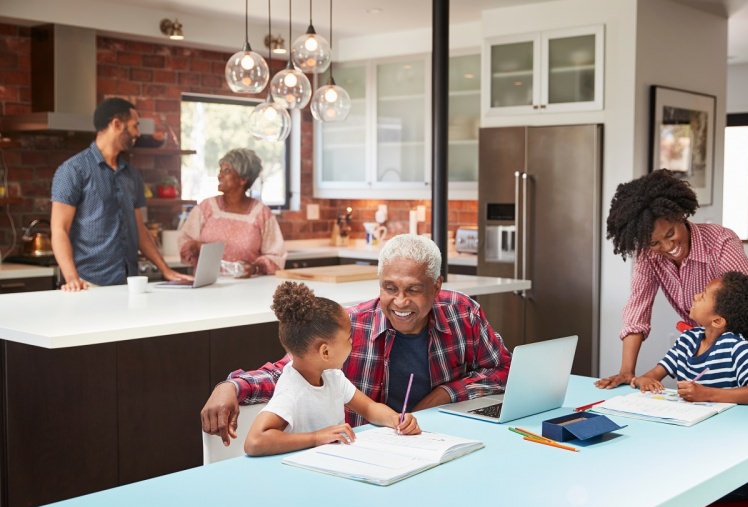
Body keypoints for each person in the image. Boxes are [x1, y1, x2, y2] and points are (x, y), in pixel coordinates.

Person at [201, 234, 511, 446]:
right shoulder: (351, 327)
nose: (400, 302)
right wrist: (231, 386)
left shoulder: (462, 313)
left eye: (413, 290)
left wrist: (445, 394)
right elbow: (290, 370)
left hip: (442, 441)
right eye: (390, 288)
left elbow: (503, 370)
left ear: (436, 286)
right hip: (367, 453)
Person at [596, 169, 748, 414]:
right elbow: (637, 310)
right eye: (655, 243)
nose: (668, 247)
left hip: (745, 347)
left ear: (680, 214)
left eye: (671, 234)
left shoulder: (720, 243)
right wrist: (627, 371)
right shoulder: (648, 256)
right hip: (704, 340)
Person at [632, 271, 748, 501]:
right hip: (697, 448)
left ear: (718, 321)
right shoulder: (687, 340)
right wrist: (646, 380)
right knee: (655, 472)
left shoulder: (735, 347)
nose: (696, 295)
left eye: (704, 295)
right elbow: (651, 375)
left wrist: (707, 394)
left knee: (670, 482)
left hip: (729, 452)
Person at [244, 281, 420, 456]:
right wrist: (316, 437)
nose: (352, 342)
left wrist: (395, 419)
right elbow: (254, 442)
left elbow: (369, 409)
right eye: (349, 337)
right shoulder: (292, 390)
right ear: (325, 352)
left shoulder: (332, 377)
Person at [50, 97, 192, 291]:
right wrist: (72, 278)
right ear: (116, 124)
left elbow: (139, 229)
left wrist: (165, 270)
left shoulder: (131, 175)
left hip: (129, 283)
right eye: (135, 126)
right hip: (89, 284)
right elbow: (59, 229)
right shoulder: (73, 170)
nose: (138, 133)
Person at [178, 148, 286, 278]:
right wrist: (194, 247)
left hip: (249, 289)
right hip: (208, 287)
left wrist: (254, 268)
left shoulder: (262, 214)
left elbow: (276, 256)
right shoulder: (206, 208)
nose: (219, 175)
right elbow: (184, 242)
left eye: (227, 171)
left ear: (243, 179)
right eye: (220, 170)